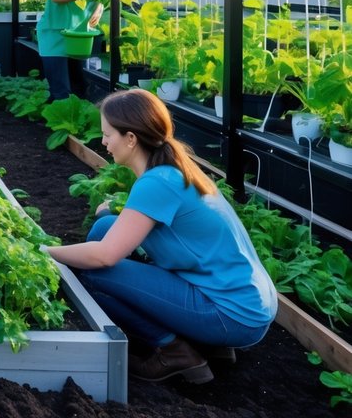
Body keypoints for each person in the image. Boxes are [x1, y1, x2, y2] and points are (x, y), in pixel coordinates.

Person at [47, 89, 276, 384]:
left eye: (107, 135)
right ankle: (208, 344)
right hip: (245, 299)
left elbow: (104, 256)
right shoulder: (173, 169)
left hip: (233, 315)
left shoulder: (157, 183)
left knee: (89, 272)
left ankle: (174, 349)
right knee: (106, 227)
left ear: (131, 138)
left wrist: (44, 251)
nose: (102, 142)